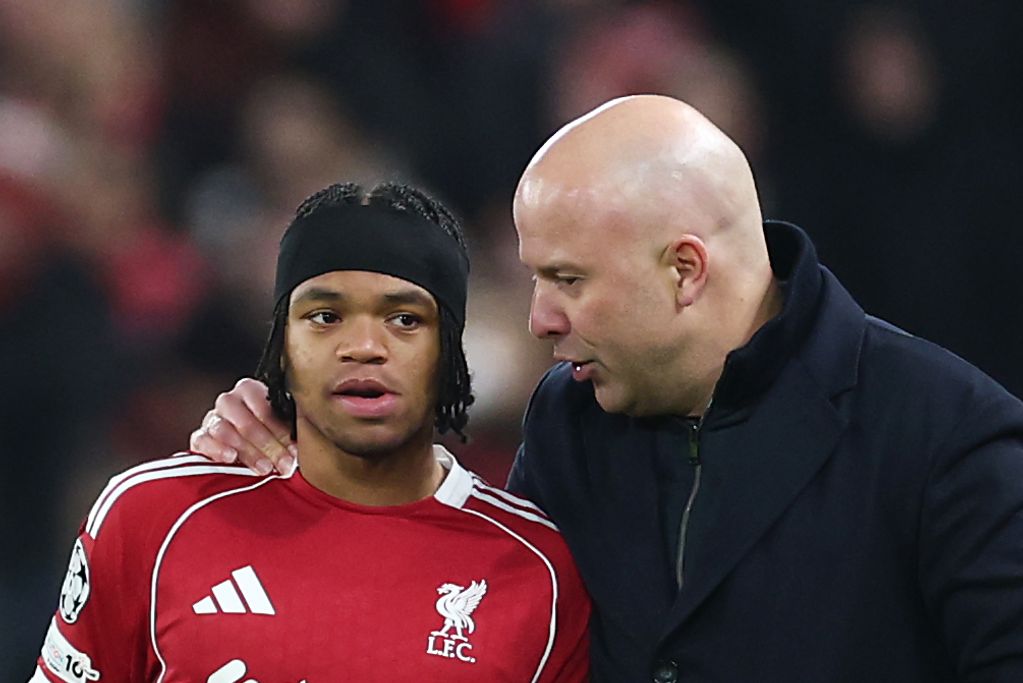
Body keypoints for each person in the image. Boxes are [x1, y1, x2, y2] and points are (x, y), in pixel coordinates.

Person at [188, 96, 1023, 682]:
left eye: (568, 279)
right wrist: (298, 490)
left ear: (684, 270)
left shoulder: (947, 438)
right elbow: (472, 634)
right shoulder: (570, 418)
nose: (539, 320)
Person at [31, 182, 590, 682]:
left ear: (450, 354)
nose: (364, 346)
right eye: (325, 317)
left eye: (405, 319)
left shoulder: (539, 572)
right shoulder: (151, 517)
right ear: (282, 348)